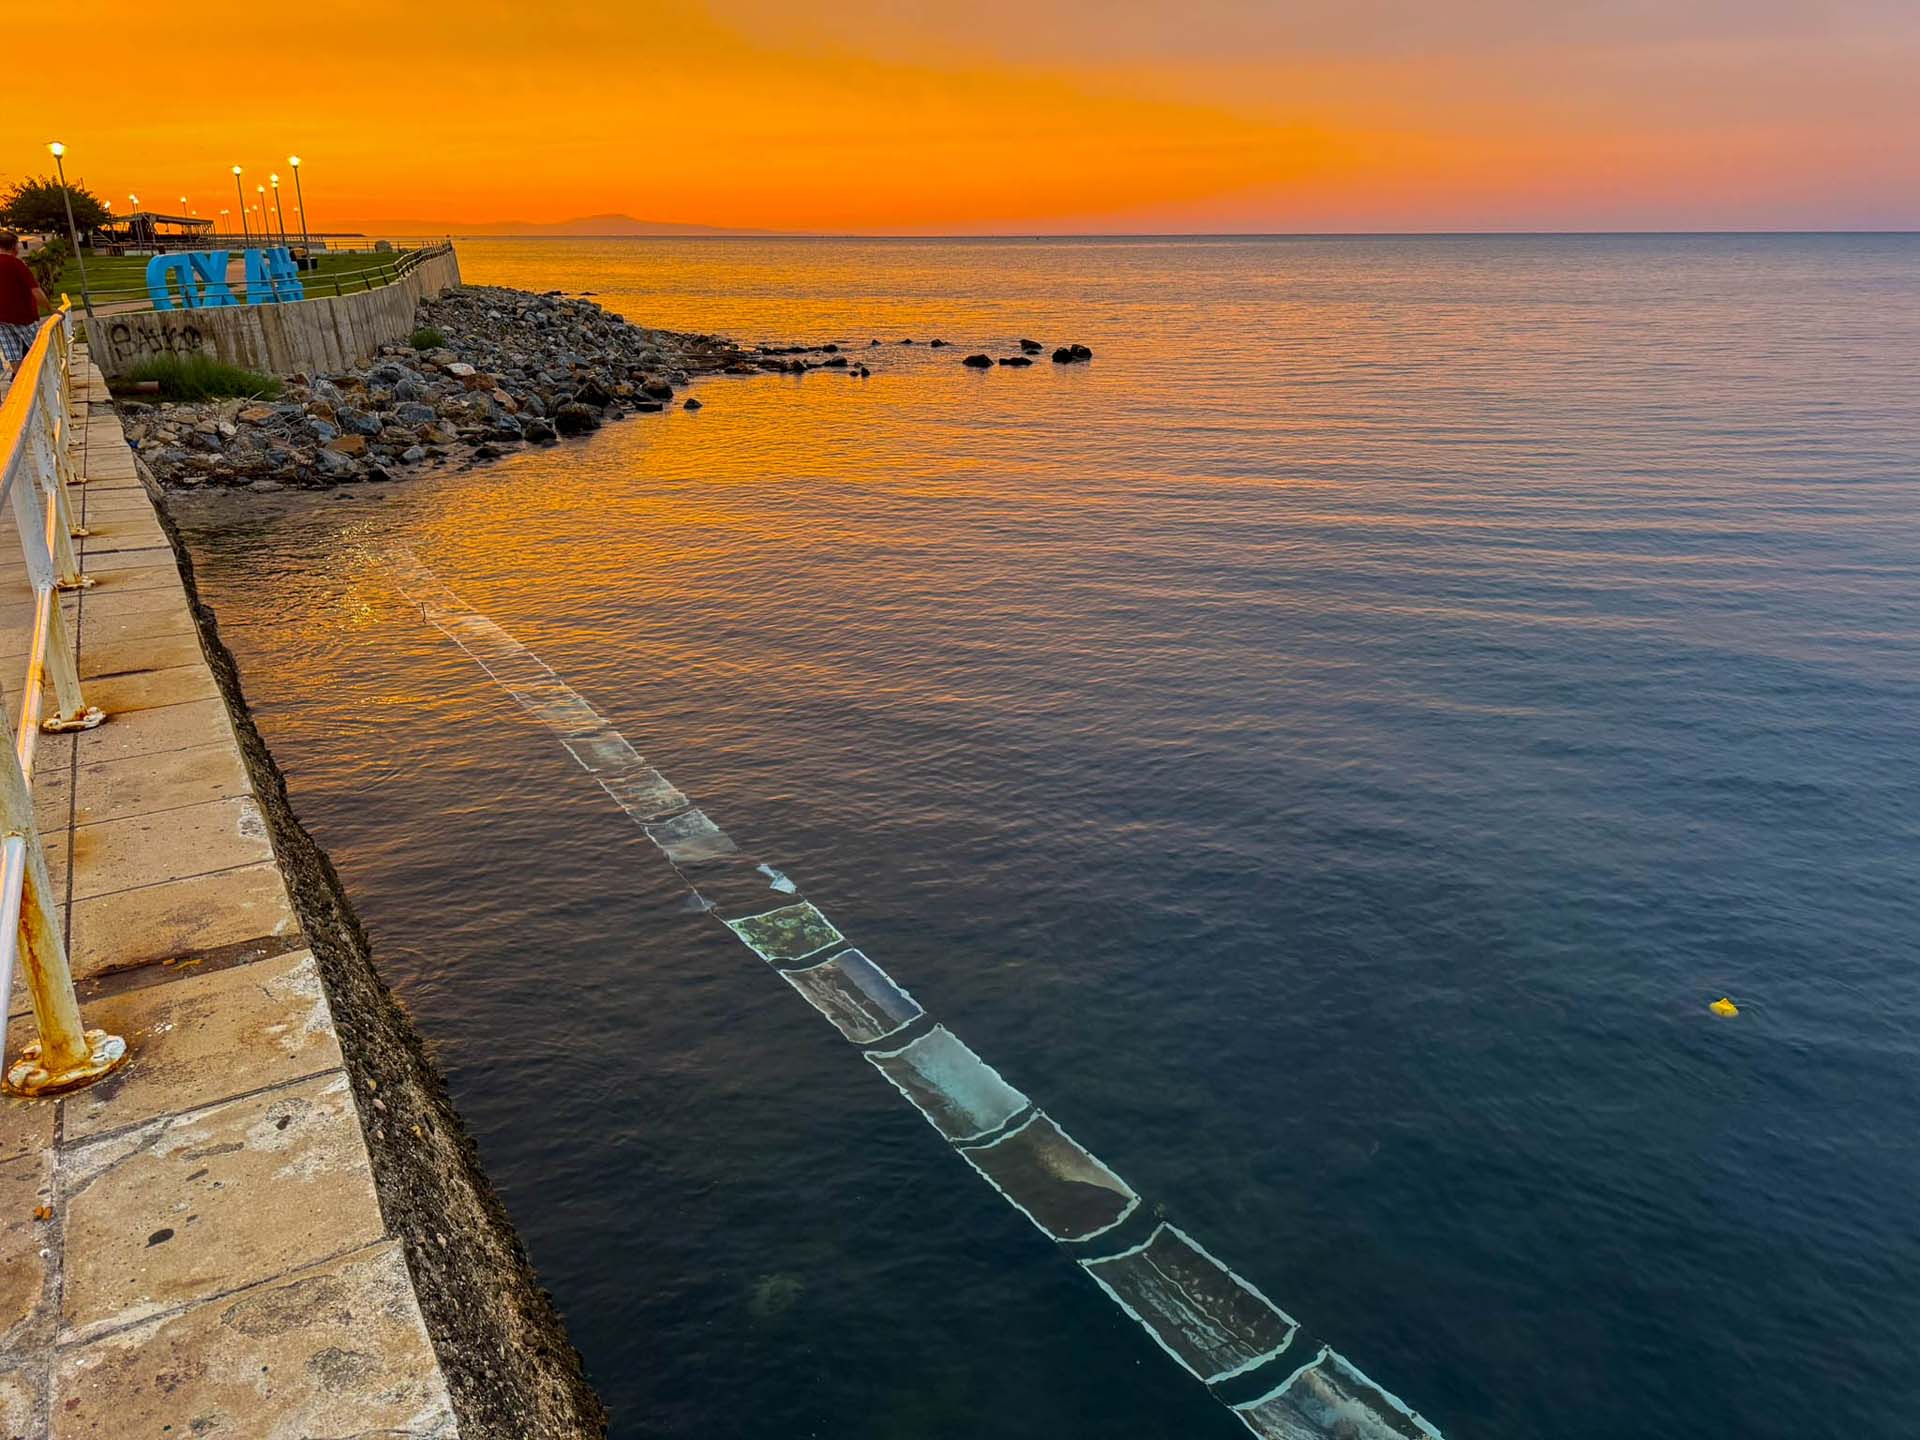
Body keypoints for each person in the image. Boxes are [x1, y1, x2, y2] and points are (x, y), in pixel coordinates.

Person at [0, 231, 49, 378]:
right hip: (22, 316)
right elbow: (35, 291)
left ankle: (20, 379)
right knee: (39, 347)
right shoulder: (17, 264)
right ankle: (43, 379)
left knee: (12, 352)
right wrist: (51, 309)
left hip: (1, 318)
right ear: (13, 246)